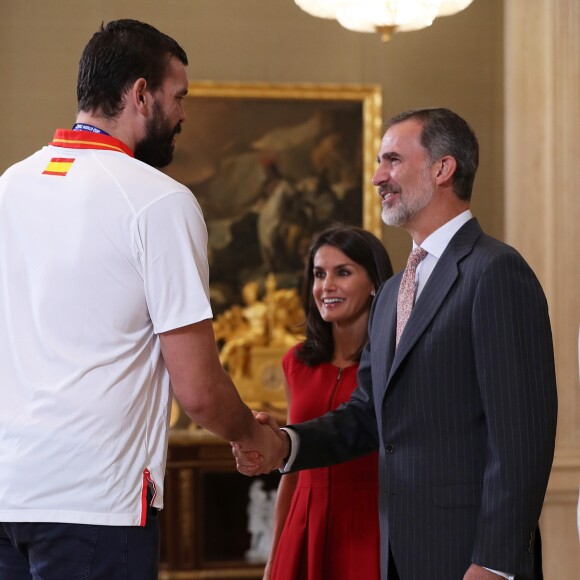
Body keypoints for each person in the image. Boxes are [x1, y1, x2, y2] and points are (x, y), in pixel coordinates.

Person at [0, 19, 283, 579]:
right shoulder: (159, 201)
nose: (182, 115)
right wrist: (256, 439)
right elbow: (199, 390)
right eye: (177, 97)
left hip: (8, 492)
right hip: (95, 503)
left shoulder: (10, 185)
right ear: (139, 93)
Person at [234, 108, 558, 580]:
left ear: (442, 169)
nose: (376, 177)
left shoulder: (496, 272)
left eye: (391, 161)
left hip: (472, 560)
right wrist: (285, 444)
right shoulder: (389, 294)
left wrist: (494, 563)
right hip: (396, 556)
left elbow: (522, 441)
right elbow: (367, 414)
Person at [265, 224, 393, 580]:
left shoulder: (394, 363)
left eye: (343, 272)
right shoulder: (296, 362)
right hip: (304, 524)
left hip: (371, 526)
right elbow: (291, 469)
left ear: (374, 284)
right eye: (319, 274)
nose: (326, 286)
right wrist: (274, 557)